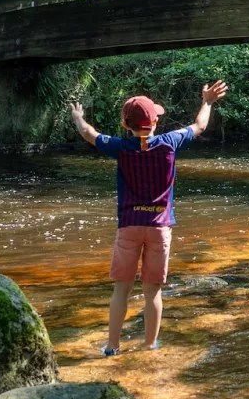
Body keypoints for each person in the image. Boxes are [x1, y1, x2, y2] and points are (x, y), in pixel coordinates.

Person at [69, 81, 229, 356]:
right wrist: (208, 101)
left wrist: (78, 116)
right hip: (159, 226)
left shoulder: (120, 147)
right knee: (152, 292)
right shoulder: (169, 143)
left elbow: (88, 133)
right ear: (155, 121)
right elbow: (200, 126)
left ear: (125, 123)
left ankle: (112, 347)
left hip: (130, 225)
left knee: (121, 289)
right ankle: (149, 346)